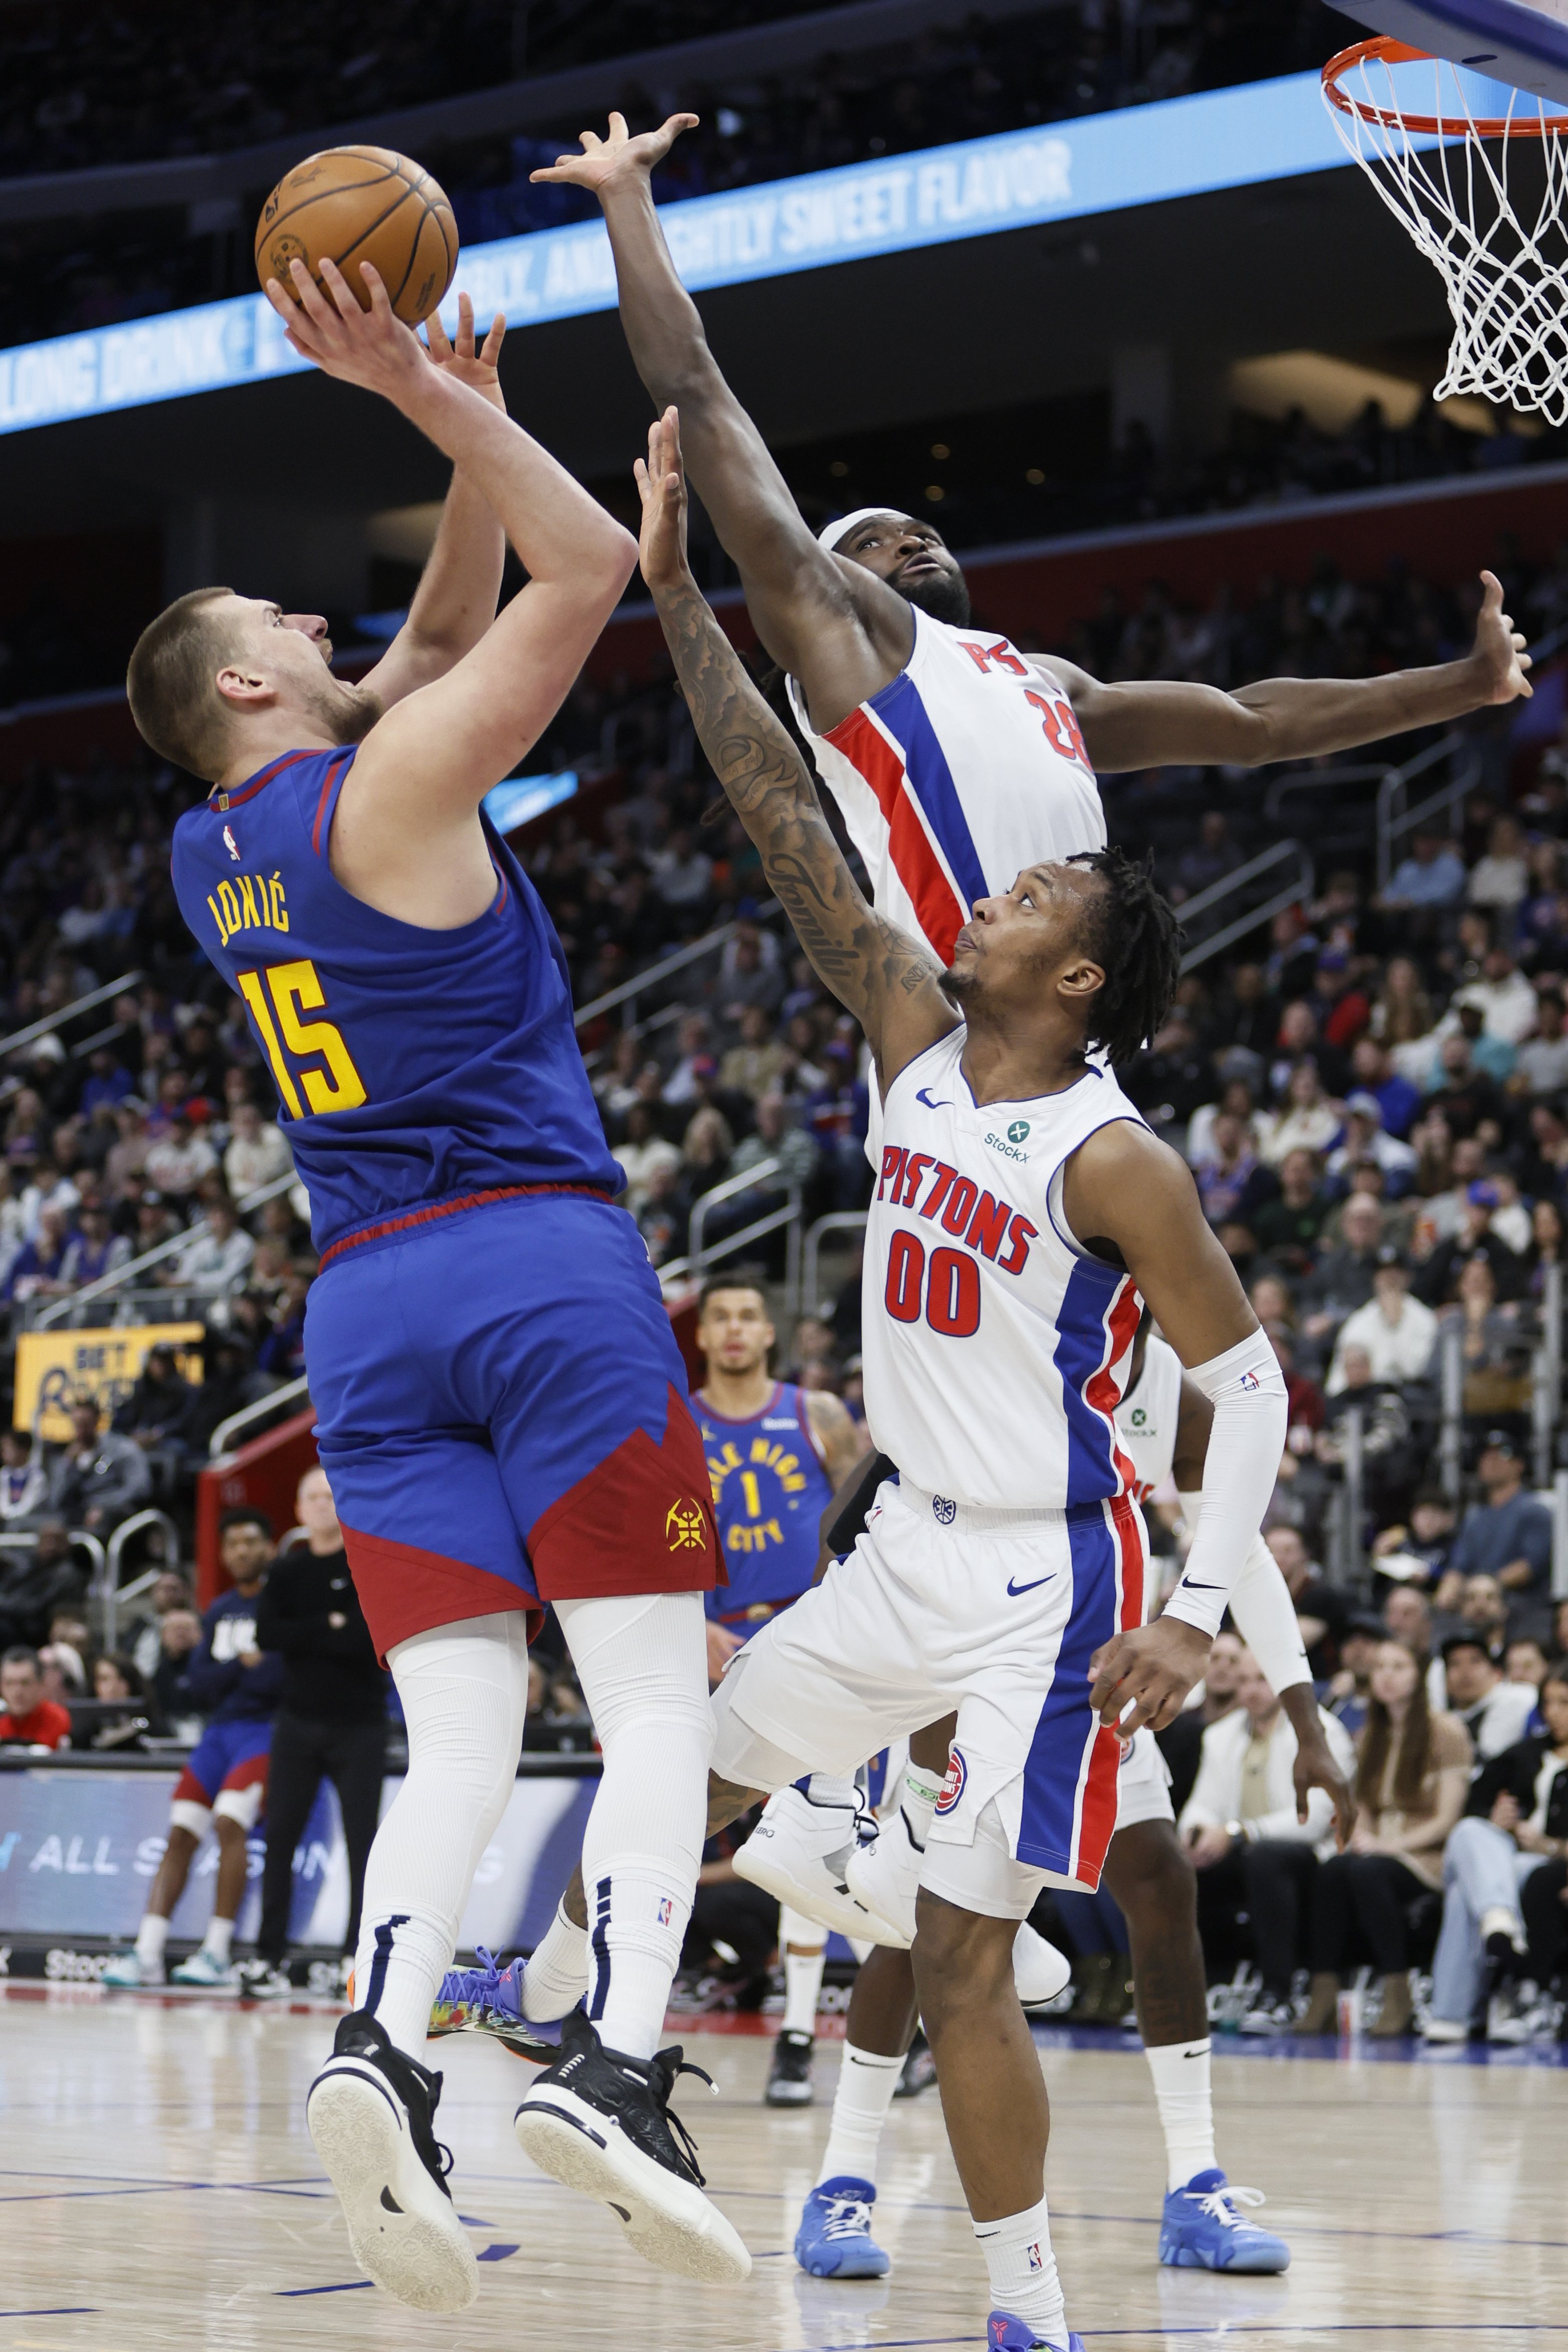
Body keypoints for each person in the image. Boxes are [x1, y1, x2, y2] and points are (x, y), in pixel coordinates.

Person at [607, 413, 1299, 2352]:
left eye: (1022, 908)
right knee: (698, 1763)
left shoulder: (1113, 1154)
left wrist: (1187, 1609)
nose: (978, 904)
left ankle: (1027, 2309)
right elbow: (778, 817)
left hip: (1045, 1577)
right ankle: (609, 2048)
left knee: (972, 1954)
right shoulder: (914, 1030)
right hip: (898, 1546)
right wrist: (672, 592)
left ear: (1076, 977)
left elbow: (1246, 1395)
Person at [142, 269, 738, 2308]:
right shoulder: (391, 787)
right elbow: (584, 572)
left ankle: (384, 2047)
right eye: (276, 631)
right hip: (535, 1265)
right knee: (654, 1686)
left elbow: (427, 648)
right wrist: (416, 394)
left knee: (460, 1707)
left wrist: (463, 433)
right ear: (242, 691)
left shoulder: (208, 849)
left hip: (363, 1313)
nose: (319, 627)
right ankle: (619, 2055)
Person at [534, 113, 1529, 1010]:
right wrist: (627, 200)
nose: (908, 540)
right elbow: (697, 390)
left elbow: (1257, 724)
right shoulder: (844, 642)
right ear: (825, 586)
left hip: (1071, 1047)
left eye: (915, 528)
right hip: (953, 1046)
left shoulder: (1039, 681)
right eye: (870, 544)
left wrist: (1465, 682)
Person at [688, 1275, 863, 2106]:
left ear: (769, 1333)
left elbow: (872, 1516)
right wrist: (693, 1627)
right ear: (701, 1334)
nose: (732, 1327)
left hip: (813, 1642)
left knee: (818, 1828)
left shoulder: (816, 1414)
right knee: (754, 1839)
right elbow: (650, 1540)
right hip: (715, 1649)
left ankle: (799, 2035)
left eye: (746, 1314)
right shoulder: (676, 1422)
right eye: (718, 1314)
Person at [102, 1508, 284, 1991]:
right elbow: (198, 1682)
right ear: (223, 1553)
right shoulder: (220, 1608)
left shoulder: (282, 1601)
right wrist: (243, 1665)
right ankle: (146, 1953)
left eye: (251, 1542)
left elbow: (278, 1677)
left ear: (268, 1547)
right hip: (218, 1732)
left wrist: (237, 1671)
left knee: (229, 1821)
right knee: (181, 1830)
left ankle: (217, 1952)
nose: (242, 1551)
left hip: (264, 1732)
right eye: (233, 1544)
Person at [247, 1465, 388, 1997]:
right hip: (297, 1723)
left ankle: (357, 1958)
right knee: (279, 1837)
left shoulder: (365, 1564)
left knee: (362, 1844)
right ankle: (269, 1957)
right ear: (300, 1509)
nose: (322, 1505)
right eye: (313, 1496)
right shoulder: (286, 1570)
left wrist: (312, 1632)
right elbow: (267, 1631)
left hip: (359, 1726)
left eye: (330, 1496)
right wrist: (324, 1625)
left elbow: (362, 1636)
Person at [1301, 1639, 1472, 2037]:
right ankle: (1323, 1988)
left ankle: (1397, 1989)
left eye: (1399, 1666)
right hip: (1378, 1848)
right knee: (1332, 1871)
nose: (1388, 1676)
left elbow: (1448, 1818)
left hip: (1425, 1853)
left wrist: (1388, 1845)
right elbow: (1360, 1807)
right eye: (1380, 1667)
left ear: (1418, 1675)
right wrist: (1362, 1835)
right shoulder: (1369, 1735)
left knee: (1367, 1873)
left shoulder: (1445, 1730)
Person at [1179, 1648, 1356, 2031]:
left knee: (1266, 1858)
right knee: (1186, 1863)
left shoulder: (1318, 1730)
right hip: (1244, 1846)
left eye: (1261, 1680)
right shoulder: (1220, 1734)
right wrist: (1195, 1834)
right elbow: (1201, 1805)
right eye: (1243, 1681)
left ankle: (1278, 1993)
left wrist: (1238, 1832)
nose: (1250, 1691)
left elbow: (1318, 1818)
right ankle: (1201, 1986)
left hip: (1312, 1854)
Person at [1424, 1663, 1568, 2043]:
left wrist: (1549, 1845)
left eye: (1564, 1702)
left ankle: (1451, 2012)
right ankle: (1498, 1917)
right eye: (1547, 1703)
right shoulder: (1522, 1753)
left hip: (1548, 1864)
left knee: (1464, 1893)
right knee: (1471, 1830)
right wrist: (1495, 1816)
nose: (1552, 1712)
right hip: (1503, 1855)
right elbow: (1473, 1806)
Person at [1445, 1432, 1553, 1598]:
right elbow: (1459, 1566)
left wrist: (1487, 1587)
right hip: (1476, 1601)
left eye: (1503, 1454)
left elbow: (1531, 1565)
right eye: (1486, 1456)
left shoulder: (1534, 1510)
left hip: (1521, 1604)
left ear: (1519, 1464)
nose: (1492, 1460)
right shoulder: (1475, 1516)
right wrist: (1447, 1592)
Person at [46, 1393, 151, 1534]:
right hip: (79, 1513)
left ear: (97, 1421)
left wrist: (104, 1507)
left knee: (100, 1520)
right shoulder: (67, 1457)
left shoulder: (122, 1448)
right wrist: (67, 1465)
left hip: (115, 1511)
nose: (81, 1429)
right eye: (77, 1424)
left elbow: (140, 1488)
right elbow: (55, 1501)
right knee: (49, 1527)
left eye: (85, 1423)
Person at [1439, 1632, 1538, 1760]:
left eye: (1475, 1661)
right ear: (1445, 1681)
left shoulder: (1521, 1698)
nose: (1465, 1672)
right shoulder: (1441, 1724)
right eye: (1455, 1664)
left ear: (1496, 1672)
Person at [0, 1646, 71, 1749]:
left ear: (41, 1684)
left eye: (25, 1683)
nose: (17, 1692)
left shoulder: (57, 1719)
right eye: (9, 1683)